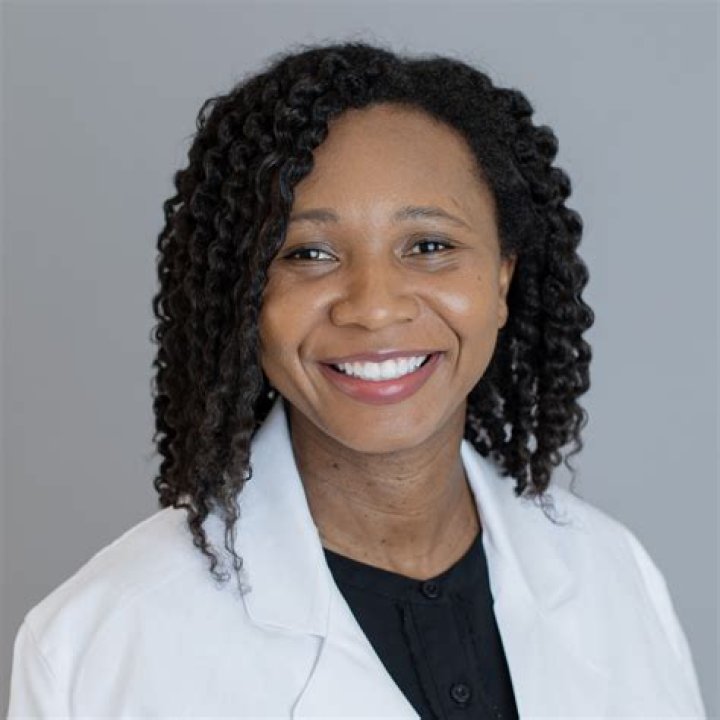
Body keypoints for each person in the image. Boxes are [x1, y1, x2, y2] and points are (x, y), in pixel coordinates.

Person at [7, 41, 706, 719]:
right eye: (307, 254)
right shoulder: (100, 648)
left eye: (429, 245)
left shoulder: (612, 575)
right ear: (246, 297)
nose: (373, 307)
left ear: (502, 278)